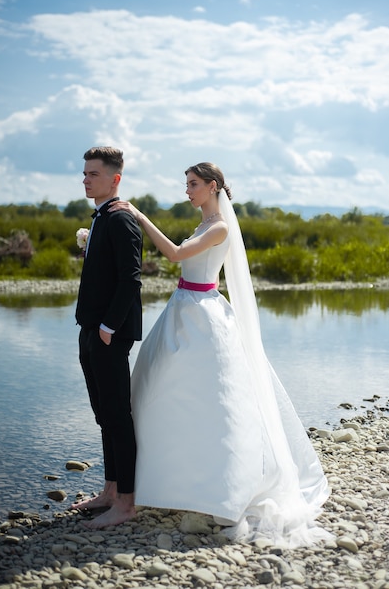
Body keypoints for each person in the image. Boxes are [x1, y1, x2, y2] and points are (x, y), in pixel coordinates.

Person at [109, 162, 331, 547]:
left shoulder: (220, 227)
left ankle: (216, 490)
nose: (188, 191)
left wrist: (140, 215)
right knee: (158, 392)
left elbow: (177, 255)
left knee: (212, 401)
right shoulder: (203, 224)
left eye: (193, 184)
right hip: (182, 309)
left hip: (204, 315)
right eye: (186, 184)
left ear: (212, 187)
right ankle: (159, 483)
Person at [72, 146, 143, 528]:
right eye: (84, 173)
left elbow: (131, 278)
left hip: (108, 334)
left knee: (118, 416)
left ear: (114, 179)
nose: (85, 179)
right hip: (90, 328)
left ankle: (127, 505)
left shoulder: (120, 219)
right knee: (104, 415)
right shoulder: (100, 217)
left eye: (93, 174)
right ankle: (111, 490)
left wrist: (108, 328)